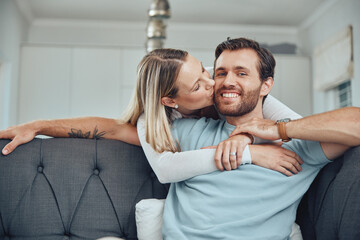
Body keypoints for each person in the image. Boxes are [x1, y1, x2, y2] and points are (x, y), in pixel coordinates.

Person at [160, 37, 360, 239]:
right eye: (221, 73)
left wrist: (280, 129)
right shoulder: (188, 130)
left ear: (266, 85)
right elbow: (134, 124)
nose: (228, 81)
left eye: (241, 73)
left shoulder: (296, 147)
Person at [0, 49, 303, 181]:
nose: (214, 83)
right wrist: (38, 126)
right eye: (198, 85)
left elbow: (290, 124)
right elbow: (114, 130)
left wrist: (252, 133)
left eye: (204, 70)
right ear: (170, 100)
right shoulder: (158, 122)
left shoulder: (221, 83)